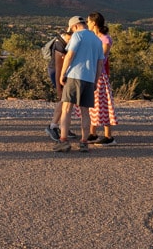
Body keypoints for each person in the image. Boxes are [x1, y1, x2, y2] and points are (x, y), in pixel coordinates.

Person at [53, 16, 105, 153]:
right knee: (85, 112)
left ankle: (63, 141)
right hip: (89, 78)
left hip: (74, 76)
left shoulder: (77, 36)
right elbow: (100, 63)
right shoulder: (97, 40)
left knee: (66, 109)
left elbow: (69, 55)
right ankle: (84, 142)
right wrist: (95, 80)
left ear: (75, 26)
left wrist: (62, 74)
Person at [87, 11, 117, 145]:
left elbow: (102, 57)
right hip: (90, 73)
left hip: (99, 75)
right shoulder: (93, 37)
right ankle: (92, 133)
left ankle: (108, 136)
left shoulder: (105, 39)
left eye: (88, 21)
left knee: (103, 104)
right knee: (91, 104)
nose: (87, 24)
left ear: (93, 23)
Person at [44, 30, 73, 141]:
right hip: (57, 72)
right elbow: (57, 68)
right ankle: (53, 126)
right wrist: (58, 88)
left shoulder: (63, 42)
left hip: (62, 73)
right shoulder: (59, 44)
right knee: (64, 100)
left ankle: (62, 127)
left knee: (67, 101)